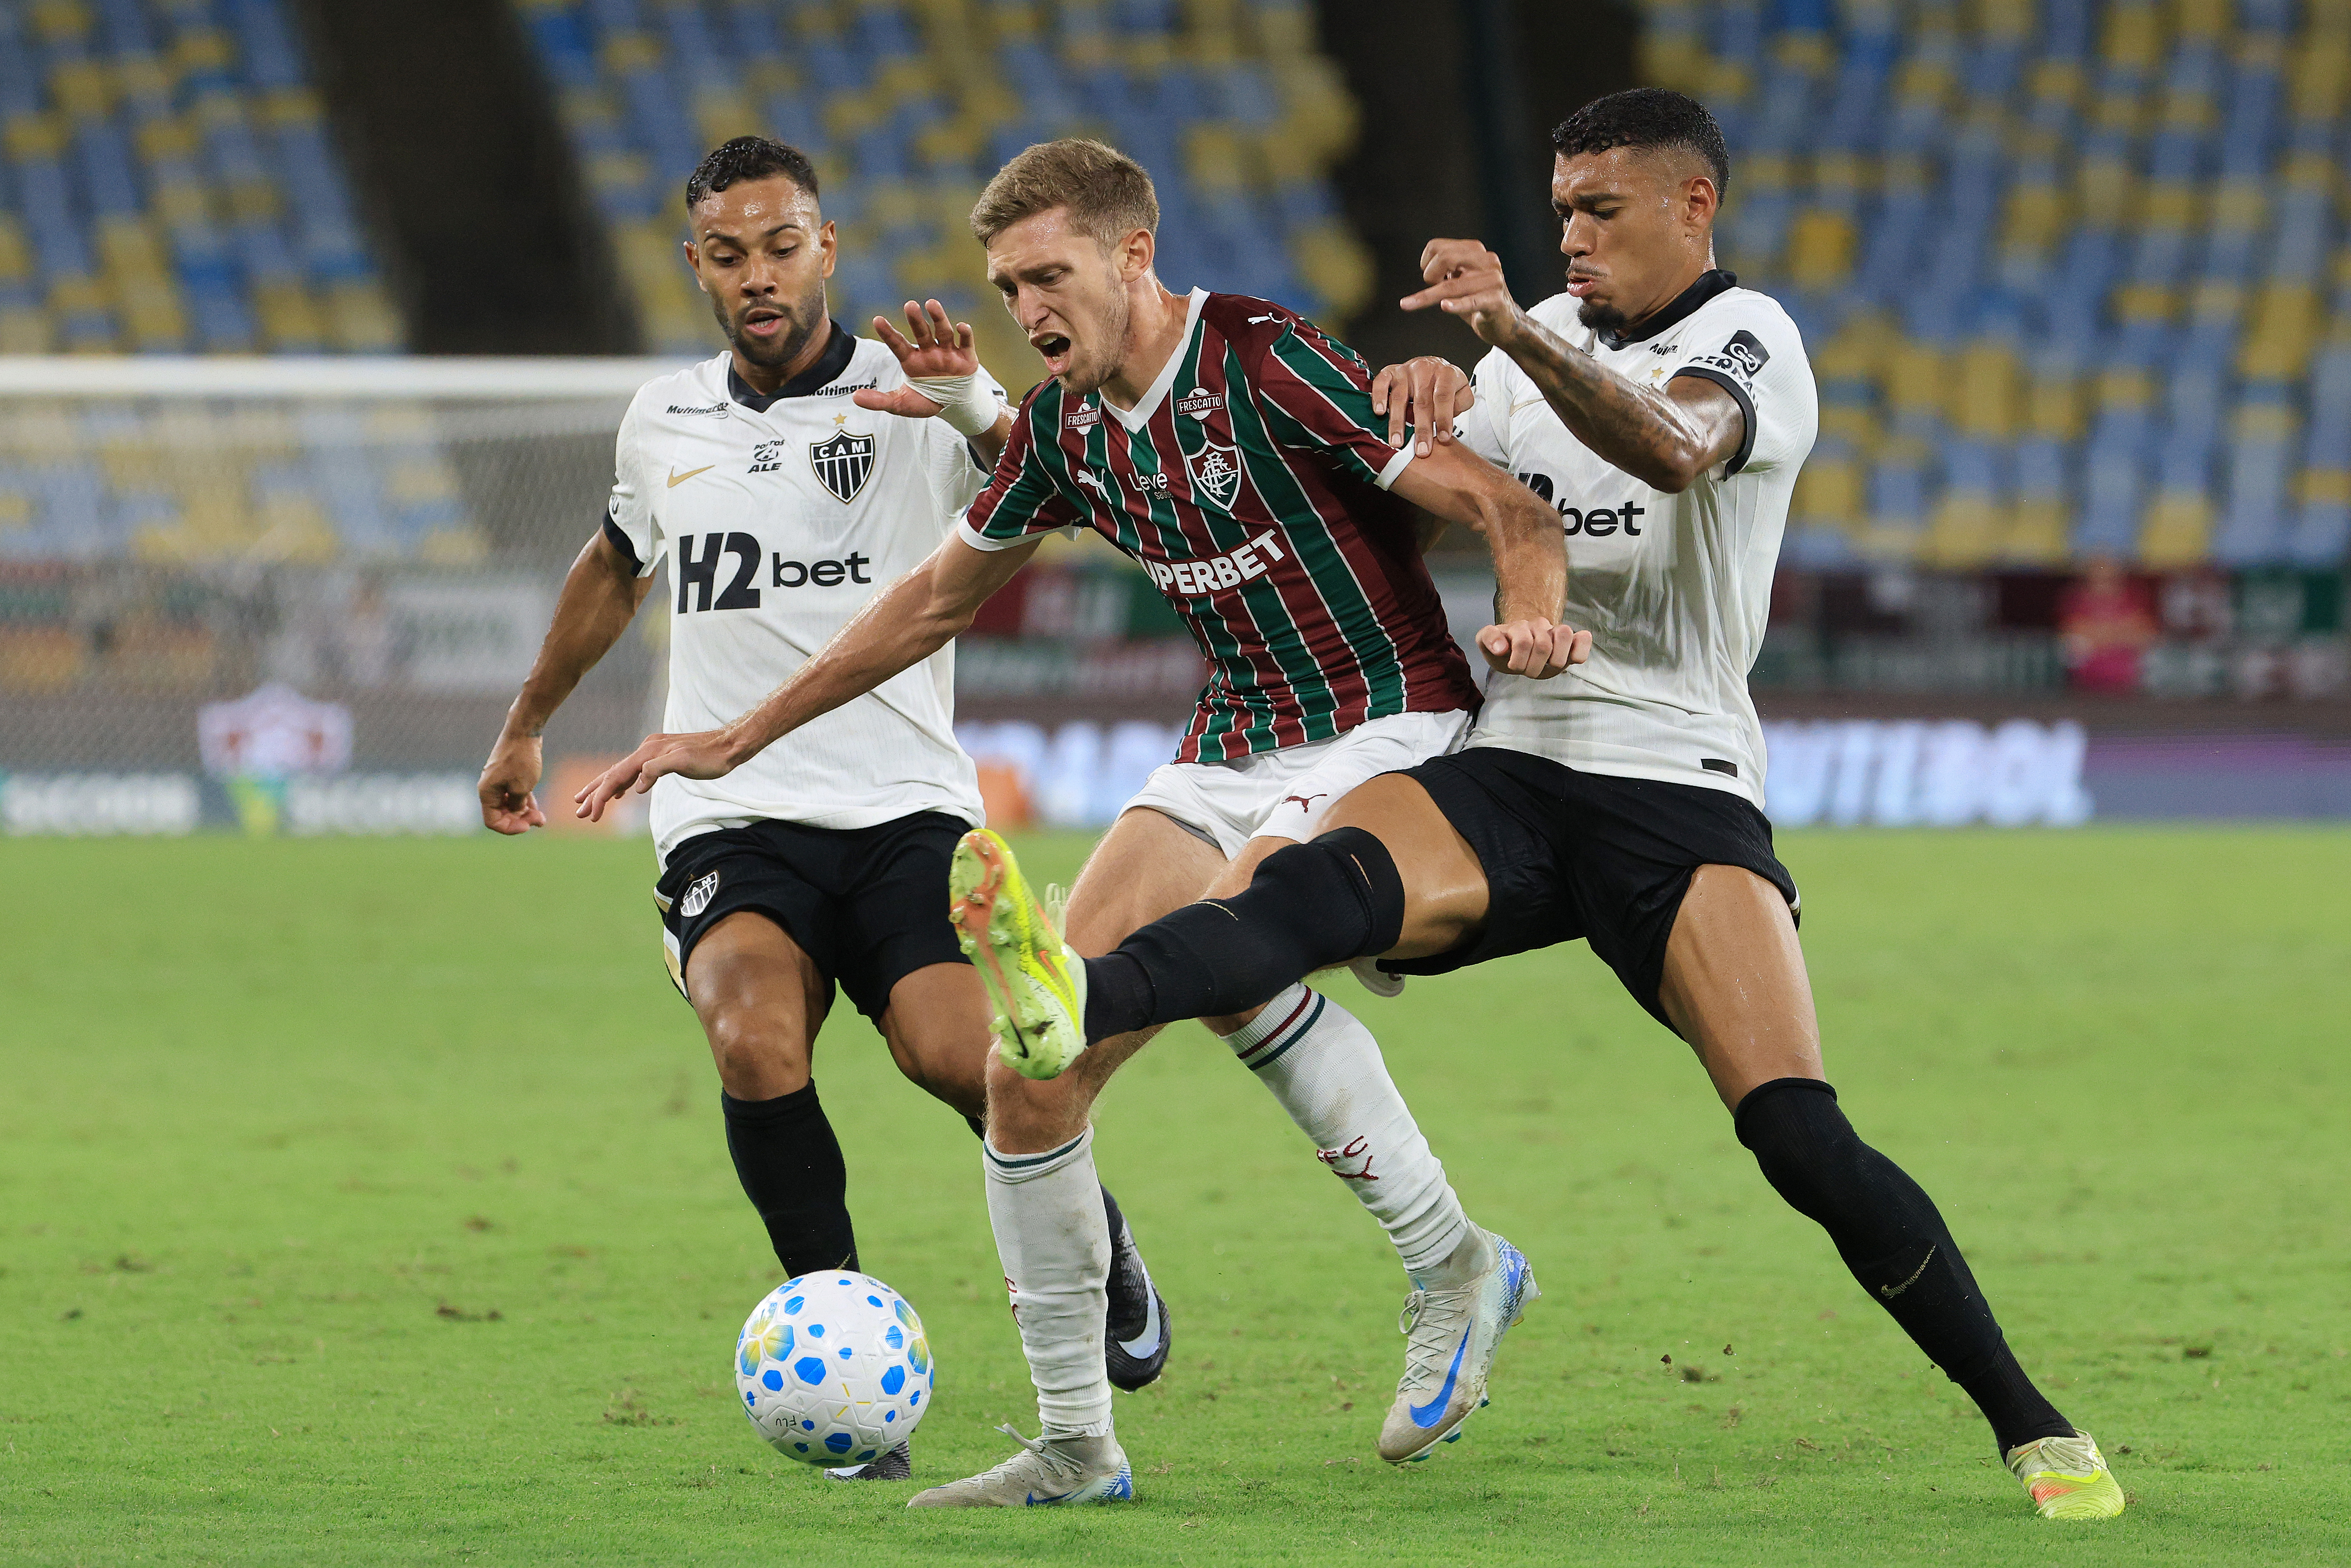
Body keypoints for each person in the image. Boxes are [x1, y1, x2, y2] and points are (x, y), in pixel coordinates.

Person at [957, 91, 2126, 1522]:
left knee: (1795, 1132)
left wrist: (1499, 338)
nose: (1569, 235)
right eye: (1559, 208)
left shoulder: (1750, 340)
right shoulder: (1527, 356)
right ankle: (1068, 992)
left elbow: (1674, 450)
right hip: (1512, 761)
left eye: (1600, 210)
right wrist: (1421, 396)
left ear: (1691, 208)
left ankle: (2029, 1420)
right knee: (1302, 894)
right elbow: (1436, 498)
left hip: (1675, 783)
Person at [576, 136, 1592, 1506]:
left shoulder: (1261, 355)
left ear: (1131, 256)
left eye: (1049, 276)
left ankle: (1451, 1259)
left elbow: (1499, 504)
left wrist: (1531, 608)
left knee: (1249, 917)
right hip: (1225, 743)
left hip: (1381, 718)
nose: (1029, 310)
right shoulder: (1058, 431)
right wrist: (735, 735)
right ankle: (1074, 1441)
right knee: (1027, 1058)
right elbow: (931, 603)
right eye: (1008, 287)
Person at [475, 136, 1174, 1483]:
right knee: (751, 1039)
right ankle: (839, 1352)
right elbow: (617, 566)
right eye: (727, 254)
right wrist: (526, 723)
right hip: (729, 816)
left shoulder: (915, 391)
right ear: (696, 266)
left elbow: (1068, 495)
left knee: (966, 1059)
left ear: (827, 246)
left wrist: (976, 407)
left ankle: (1106, 1245)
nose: (756, 276)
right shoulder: (662, 419)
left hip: (906, 805)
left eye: (780, 246)